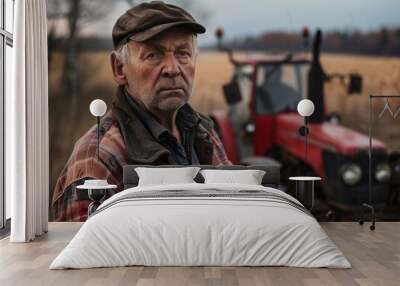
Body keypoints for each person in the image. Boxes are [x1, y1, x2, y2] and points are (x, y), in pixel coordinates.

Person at [52, 1, 232, 221]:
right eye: (153, 55)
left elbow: (233, 210)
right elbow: (86, 250)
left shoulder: (204, 132)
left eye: (182, 53)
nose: (173, 69)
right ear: (119, 69)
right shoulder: (99, 157)